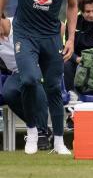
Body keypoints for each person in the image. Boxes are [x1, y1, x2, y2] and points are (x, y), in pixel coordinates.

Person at [0, 0, 79, 155]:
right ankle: (33, 131)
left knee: (53, 87)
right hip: (25, 34)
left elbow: (72, 6)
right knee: (29, 79)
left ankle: (59, 142)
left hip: (51, 36)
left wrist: (71, 38)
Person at [0, 15, 51, 150]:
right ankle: (35, 127)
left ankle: (42, 133)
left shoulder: (20, 22)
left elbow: (61, 27)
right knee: (8, 93)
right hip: (17, 73)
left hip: (37, 66)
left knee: (33, 80)